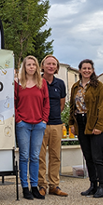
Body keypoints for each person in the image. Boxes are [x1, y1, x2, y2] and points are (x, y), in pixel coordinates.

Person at [69, 59, 103, 198]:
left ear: (92, 70)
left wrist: (99, 126)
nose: (86, 70)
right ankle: (93, 185)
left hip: (94, 123)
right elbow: (72, 107)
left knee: (98, 157)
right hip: (80, 123)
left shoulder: (99, 86)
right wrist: (71, 124)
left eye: (89, 68)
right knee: (88, 156)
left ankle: (102, 186)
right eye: (84, 68)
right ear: (79, 70)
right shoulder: (75, 87)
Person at [15, 55, 50, 200]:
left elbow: (46, 103)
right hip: (23, 124)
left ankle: (34, 186)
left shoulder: (42, 83)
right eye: (28, 64)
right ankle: (25, 187)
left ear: (37, 67)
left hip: (38, 125)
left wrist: (44, 121)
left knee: (35, 157)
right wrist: (19, 120)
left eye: (33, 65)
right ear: (24, 67)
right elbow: (13, 103)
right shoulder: (18, 83)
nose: (31, 67)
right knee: (24, 156)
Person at [38, 55, 68, 197]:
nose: (51, 66)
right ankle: (41, 185)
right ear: (43, 66)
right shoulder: (37, 82)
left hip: (56, 124)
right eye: (48, 64)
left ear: (57, 67)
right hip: (40, 124)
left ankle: (54, 185)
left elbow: (62, 105)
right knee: (40, 156)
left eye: (54, 64)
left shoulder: (60, 84)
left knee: (56, 156)